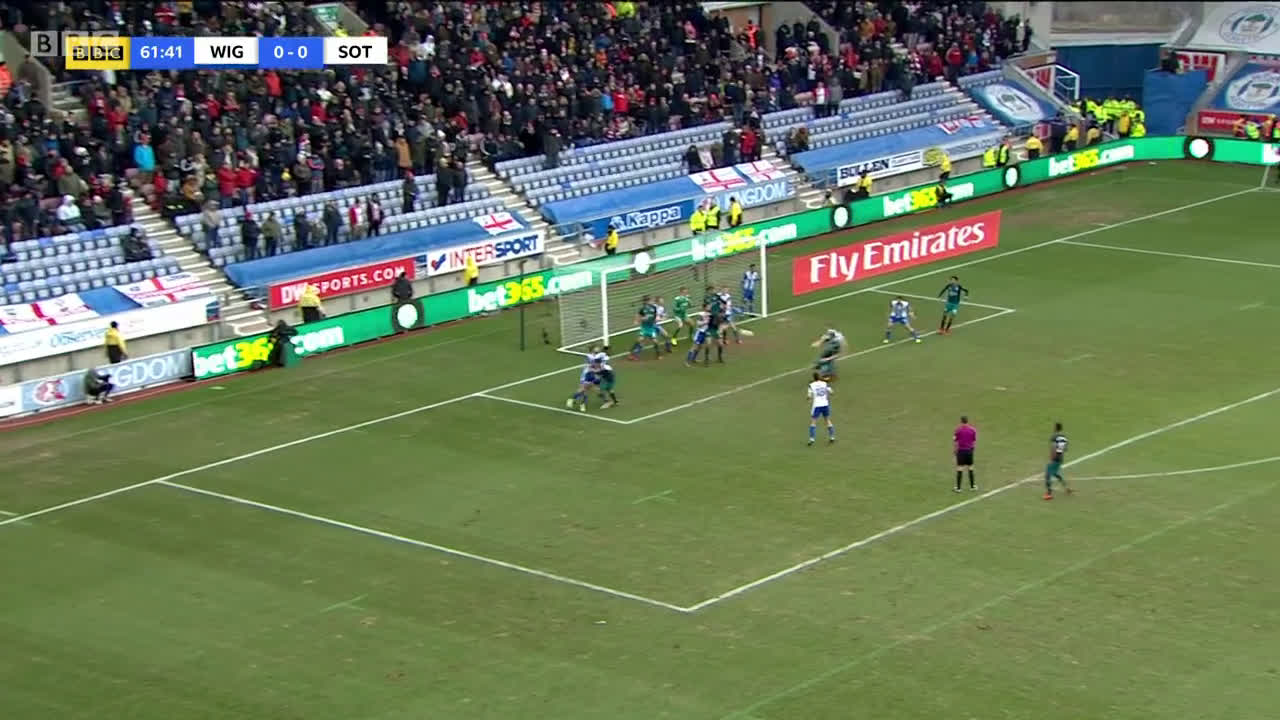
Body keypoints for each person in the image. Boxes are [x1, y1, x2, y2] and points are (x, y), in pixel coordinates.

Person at [629, 295, 663, 359]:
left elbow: (655, 315)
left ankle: (658, 354)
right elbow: (638, 316)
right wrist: (638, 320)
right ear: (646, 301)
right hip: (644, 327)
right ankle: (632, 353)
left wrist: (657, 318)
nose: (651, 301)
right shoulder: (642, 309)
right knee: (640, 340)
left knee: (655, 341)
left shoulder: (653, 308)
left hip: (651, 327)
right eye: (649, 300)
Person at [1044, 422, 1072, 500]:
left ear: (1055, 428)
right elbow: (1066, 449)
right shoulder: (1064, 437)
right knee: (1055, 473)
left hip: (1055, 458)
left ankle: (1048, 493)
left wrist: (1052, 457)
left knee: (1047, 474)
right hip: (1060, 458)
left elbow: (1053, 447)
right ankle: (1066, 487)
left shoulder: (1054, 437)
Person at [806, 372, 835, 446]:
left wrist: (808, 398)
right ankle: (832, 437)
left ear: (813, 378)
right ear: (819, 377)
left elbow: (809, 396)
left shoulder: (811, 385)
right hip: (825, 404)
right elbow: (832, 392)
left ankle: (812, 439)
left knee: (813, 422)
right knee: (827, 420)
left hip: (817, 405)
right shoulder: (825, 383)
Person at [953, 416, 977, 492]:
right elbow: (974, 441)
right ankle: (972, 486)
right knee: (971, 468)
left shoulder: (958, 430)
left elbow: (955, 441)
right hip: (969, 451)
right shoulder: (972, 430)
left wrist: (955, 450)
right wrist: (972, 449)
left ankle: (958, 488)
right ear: (967, 421)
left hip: (961, 451)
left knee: (960, 468)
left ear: (961, 421)